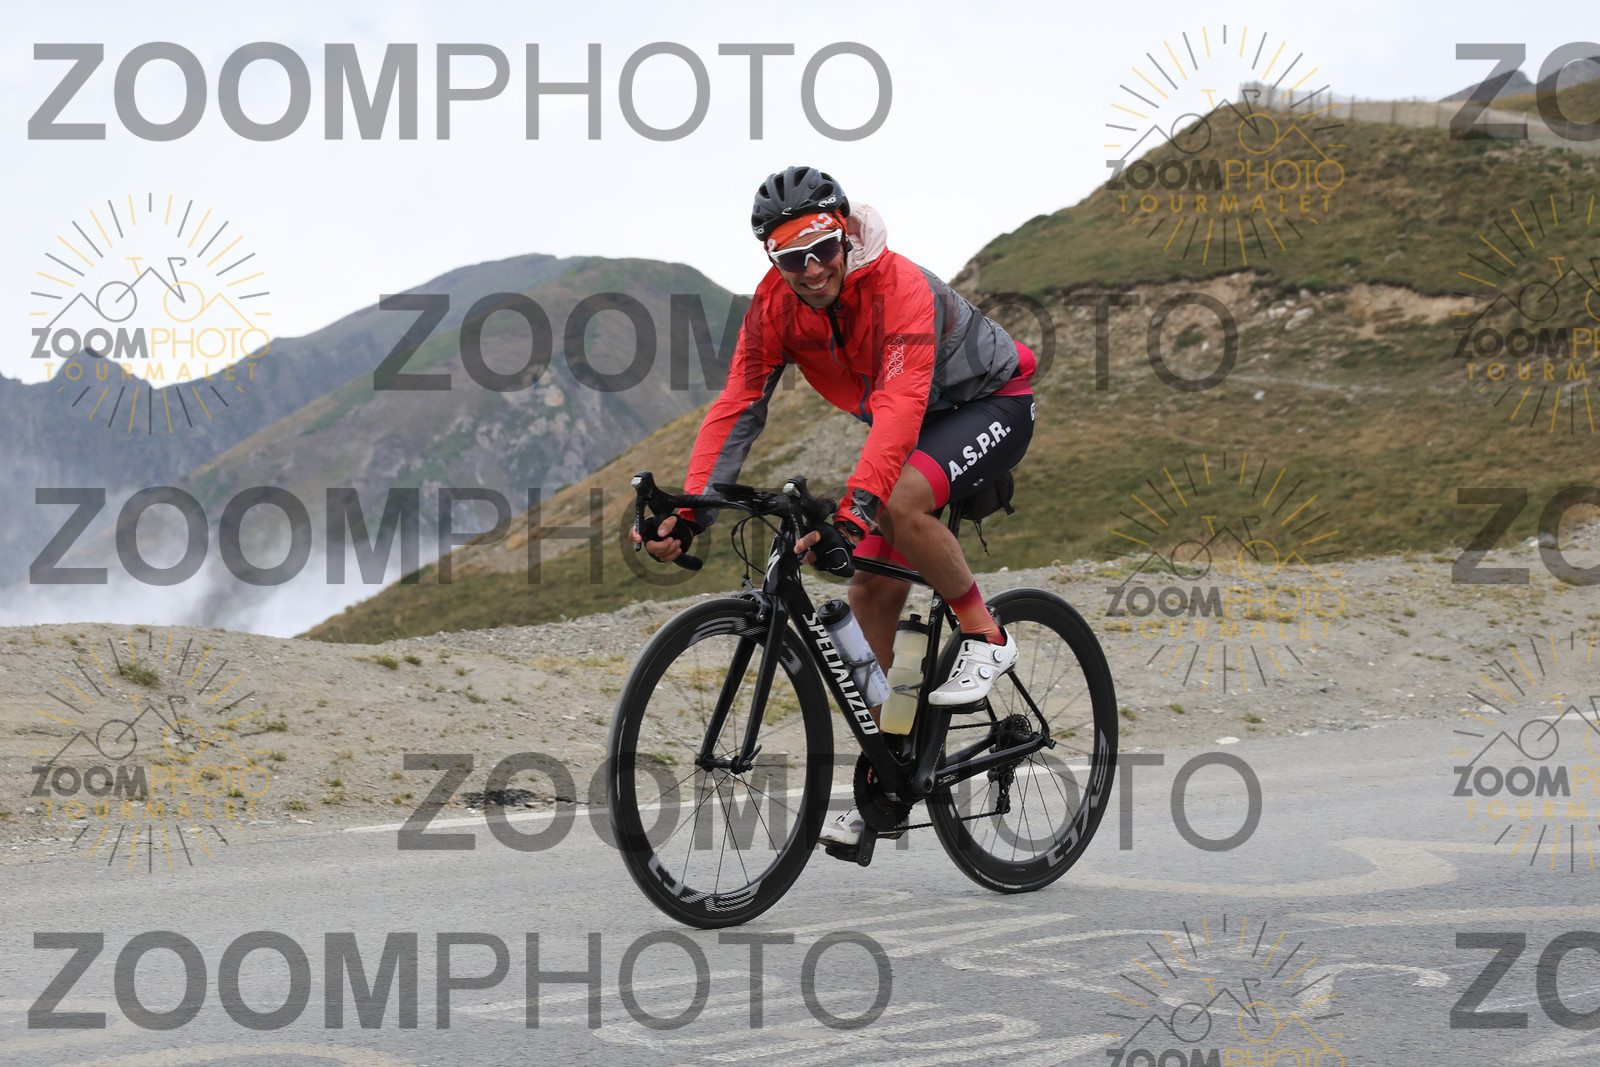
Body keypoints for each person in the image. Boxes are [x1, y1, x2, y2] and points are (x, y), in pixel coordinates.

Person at [633, 165, 1036, 848]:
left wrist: (855, 511)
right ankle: (894, 772)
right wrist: (693, 509)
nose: (813, 268)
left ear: (844, 232)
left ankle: (986, 633)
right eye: (792, 258)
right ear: (772, 259)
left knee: (896, 502)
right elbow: (738, 405)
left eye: (822, 247)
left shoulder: (898, 288)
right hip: (914, 426)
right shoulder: (774, 308)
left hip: (990, 404)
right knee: (869, 591)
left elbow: (901, 407)